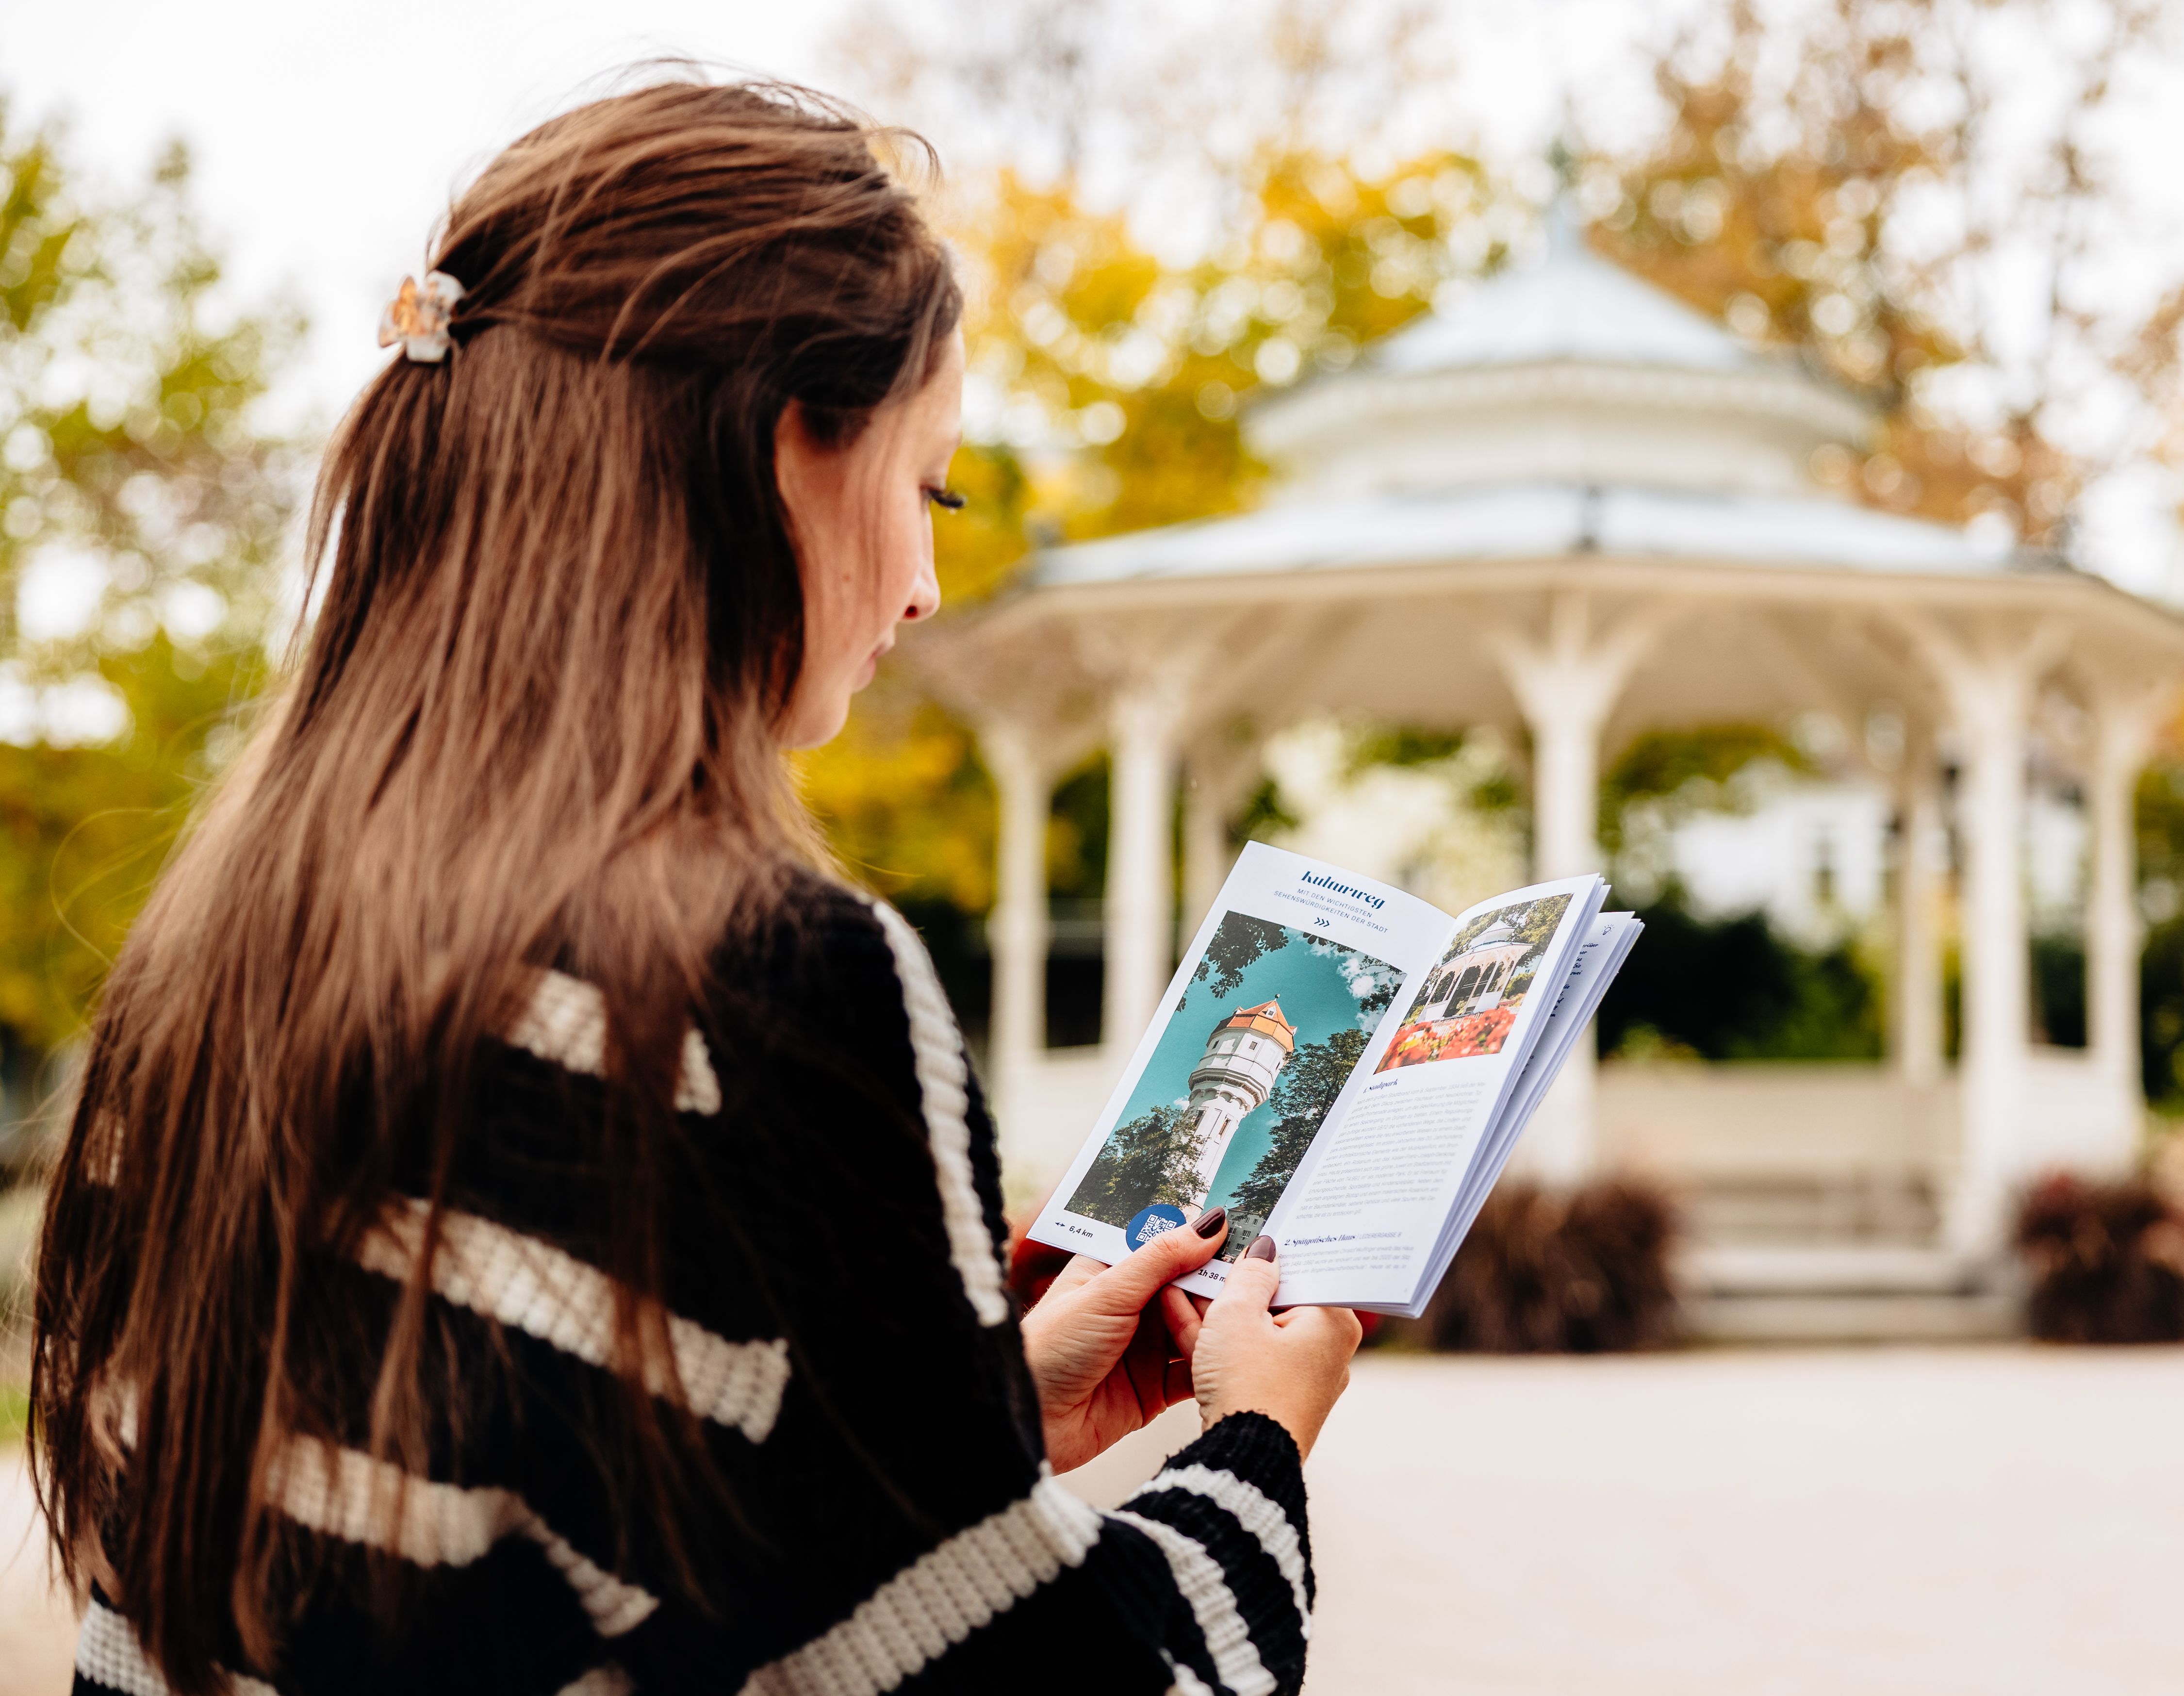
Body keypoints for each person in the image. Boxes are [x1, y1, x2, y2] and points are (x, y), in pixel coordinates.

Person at [29, 78, 1359, 1696]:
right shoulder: (749, 990)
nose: (928, 587)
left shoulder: (214, 965)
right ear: (782, 445)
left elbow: (492, 1542)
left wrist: (975, 1419)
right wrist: (1255, 1441)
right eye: (926, 488)